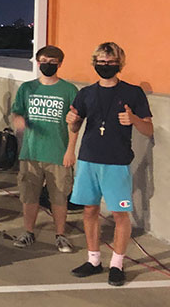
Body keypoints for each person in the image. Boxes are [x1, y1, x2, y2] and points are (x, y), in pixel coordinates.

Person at [66, 42, 152, 287]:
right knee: (90, 210)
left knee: (119, 213)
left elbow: (148, 129)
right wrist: (71, 121)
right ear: (94, 63)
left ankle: (117, 263)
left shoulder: (133, 93)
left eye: (110, 62)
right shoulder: (85, 93)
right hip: (88, 160)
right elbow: (75, 125)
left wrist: (134, 119)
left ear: (120, 64)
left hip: (116, 162)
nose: (105, 66)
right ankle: (94, 260)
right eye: (101, 62)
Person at [10, 45, 79, 253]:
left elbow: (74, 123)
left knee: (59, 197)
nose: (47, 65)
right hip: (31, 152)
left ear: (60, 63)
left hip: (58, 153)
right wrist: (18, 120)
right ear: (37, 62)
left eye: (52, 61)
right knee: (29, 195)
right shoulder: (27, 88)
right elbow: (16, 113)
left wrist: (70, 150)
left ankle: (61, 235)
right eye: (43, 60)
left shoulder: (69, 90)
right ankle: (28, 232)